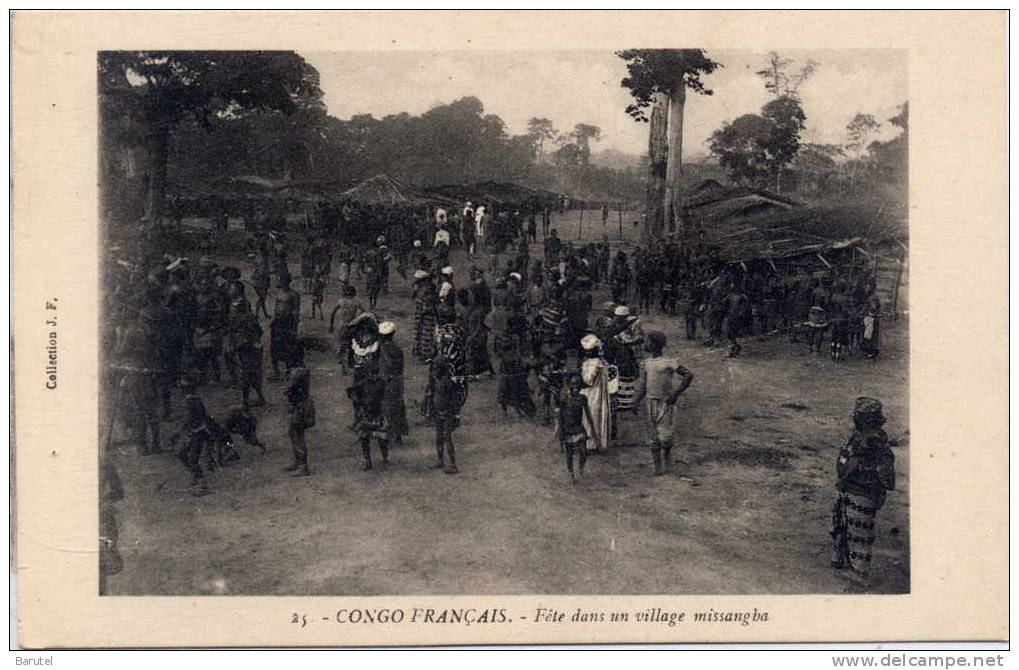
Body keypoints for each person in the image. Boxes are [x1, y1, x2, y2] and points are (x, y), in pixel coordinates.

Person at [830, 397, 896, 588]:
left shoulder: (870, 441)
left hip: (860, 491)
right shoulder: (868, 437)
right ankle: (844, 563)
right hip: (855, 490)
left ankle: (859, 573)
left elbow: (854, 465)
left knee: (858, 532)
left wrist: (843, 478)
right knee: (848, 527)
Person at [633, 331, 694, 476]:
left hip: (666, 402)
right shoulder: (647, 363)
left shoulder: (668, 362)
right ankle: (657, 467)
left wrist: (675, 393)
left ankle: (667, 462)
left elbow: (688, 375)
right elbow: (644, 385)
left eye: (647, 342)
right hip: (650, 402)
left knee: (665, 435)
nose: (645, 344)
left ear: (654, 345)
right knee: (652, 435)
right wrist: (636, 402)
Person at [556, 374, 595, 484]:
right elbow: (560, 416)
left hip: (579, 428)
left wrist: (593, 430)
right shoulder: (564, 399)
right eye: (573, 384)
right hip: (567, 429)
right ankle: (571, 474)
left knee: (583, 451)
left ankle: (581, 468)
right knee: (569, 454)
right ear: (569, 385)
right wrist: (561, 434)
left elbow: (588, 414)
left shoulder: (583, 398)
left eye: (578, 384)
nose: (576, 387)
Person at [578, 334, 614, 453]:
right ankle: (596, 442)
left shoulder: (594, 363)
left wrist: (578, 378)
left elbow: (589, 380)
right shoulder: (600, 361)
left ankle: (591, 443)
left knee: (591, 415)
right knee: (596, 415)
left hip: (592, 392)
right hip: (597, 392)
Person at [377, 321, 409, 446]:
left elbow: (388, 365)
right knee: (398, 407)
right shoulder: (397, 349)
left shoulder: (384, 349)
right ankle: (398, 435)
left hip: (388, 382)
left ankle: (390, 436)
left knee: (387, 408)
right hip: (397, 380)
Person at [430, 358, 463, 474]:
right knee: (439, 437)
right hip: (439, 413)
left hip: (448, 413)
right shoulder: (437, 380)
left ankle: (453, 464)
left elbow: (455, 400)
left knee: (447, 438)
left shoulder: (448, 382)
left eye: (436, 368)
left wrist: (456, 415)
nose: (434, 370)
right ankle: (440, 460)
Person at [283, 367, 315, 477]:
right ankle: (299, 463)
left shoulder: (297, 377)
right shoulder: (302, 375)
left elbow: (286, 390)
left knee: (297, 436)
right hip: (300, 408)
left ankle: (302, 466)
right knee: (293, 434)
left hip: (299, 410)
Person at [412, 270, 439, 363]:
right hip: (424, 313)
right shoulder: (426, 287)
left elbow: (427, 305)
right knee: (422, 333)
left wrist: (420, 314)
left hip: (427, 315)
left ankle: (426, 355)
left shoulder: (426, 289)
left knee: (426, 334)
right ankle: (422, 353)